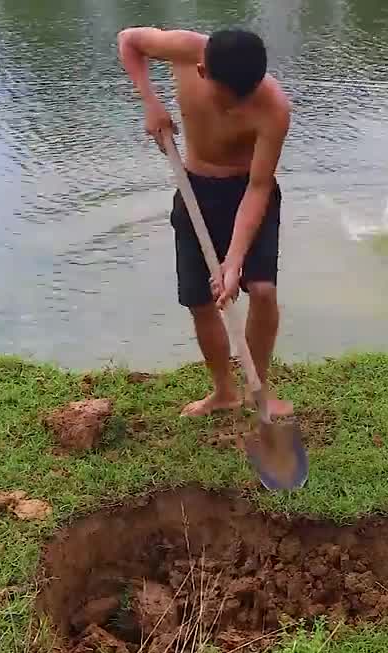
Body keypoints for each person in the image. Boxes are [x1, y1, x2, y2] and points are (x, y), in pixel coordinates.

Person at [117, 26, 294, 418]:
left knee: (262, 290)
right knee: (201, 301)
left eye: (242, 100)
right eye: (226, 100)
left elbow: (260, 185)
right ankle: (223, 392)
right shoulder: (183, 51)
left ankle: (256, 387)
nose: (234, 109)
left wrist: (233, 262)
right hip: (194, 189)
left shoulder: (274, 108)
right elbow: (129, 40)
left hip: (247, 191)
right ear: (201, 72)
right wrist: (150, 102)